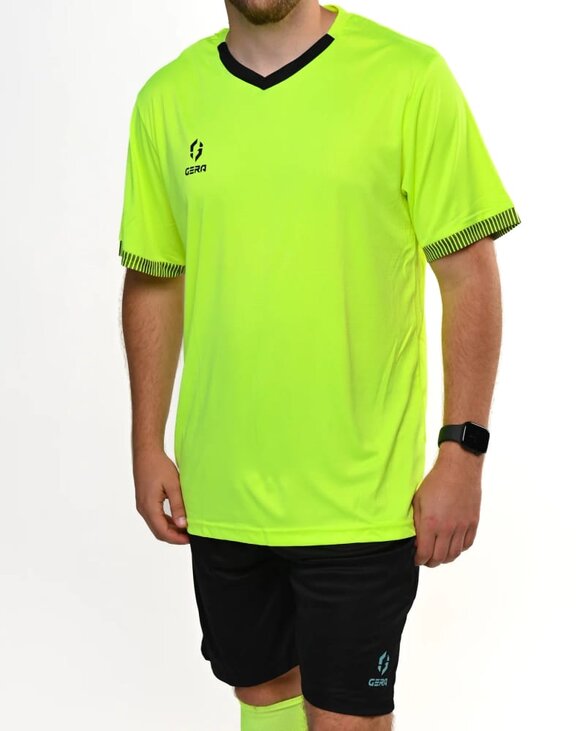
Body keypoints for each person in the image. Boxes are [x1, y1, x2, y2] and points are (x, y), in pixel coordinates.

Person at [117, 2, 521, 729]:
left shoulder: (408, 78)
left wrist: (463, 450)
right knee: (262, 695)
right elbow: (155, 277)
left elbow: (468, 275)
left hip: (361, 496)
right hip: (222, 489)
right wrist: (147, 441)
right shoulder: (166, 99)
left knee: (346, 718)